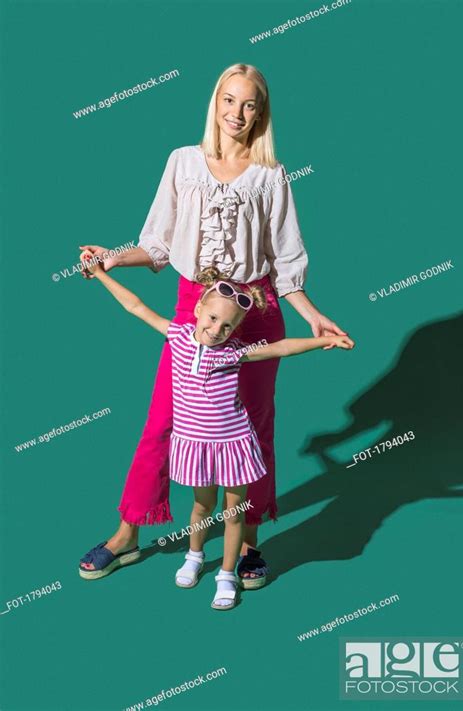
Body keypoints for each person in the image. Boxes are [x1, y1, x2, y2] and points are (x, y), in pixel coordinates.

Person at [78, 62, 351, 587]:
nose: (237, 113)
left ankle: (248, 539)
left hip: (257, 308)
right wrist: (111, 258)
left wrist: (314, 319)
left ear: (261, 113)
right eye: (229, 100)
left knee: (253, 429)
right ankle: (128, 532)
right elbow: (157, 243)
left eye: (249, 104)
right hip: (193, 305)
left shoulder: (271, 175)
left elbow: (286, 261)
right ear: (215, 103)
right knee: (162, 420)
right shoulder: (182, 162)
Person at [79, 253, 354, 609]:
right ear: (196, 310)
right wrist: (101, 273)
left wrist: (323, 341)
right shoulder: (178, 336)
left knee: (233, 513)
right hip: (195, 445)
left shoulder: (234, 352)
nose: (215, 330)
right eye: (211, 319)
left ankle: (226, 575)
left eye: (227, 326)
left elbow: (280, 347)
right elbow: (135, 306)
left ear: (236, 329)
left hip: (233, 446)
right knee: (201, 507)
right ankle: (193, 557)